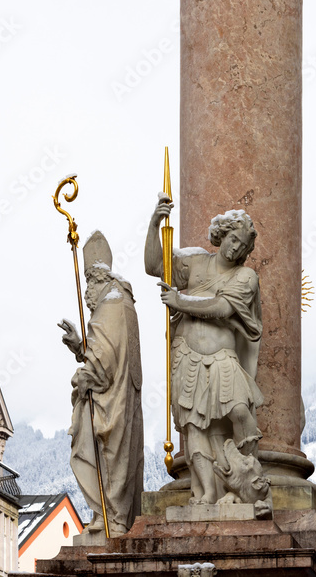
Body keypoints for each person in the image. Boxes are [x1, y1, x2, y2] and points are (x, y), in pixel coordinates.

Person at [144, 194, 264, 505]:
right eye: (233, 239)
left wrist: (181, 301)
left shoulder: (245, 277)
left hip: (223, 358)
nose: (236, 248)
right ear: (223, 234)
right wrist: (155, 223)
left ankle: (247, 480)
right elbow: (154, 265)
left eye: (243, 246)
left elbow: (223, 308)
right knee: (193, 425)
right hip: (187, 355)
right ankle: (209, 491)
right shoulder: (196, 261)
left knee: (240, 409)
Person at [60, 230, 144, 536]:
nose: (85, 295)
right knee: (108, 457)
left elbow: (105, 362)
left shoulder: (112, 305)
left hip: (112, 399)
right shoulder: (119, 303)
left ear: (98, 280)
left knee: (112, 457)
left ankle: (114, 518)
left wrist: (85, 375)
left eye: (87, 286)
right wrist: (80, 345)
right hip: (113, 396)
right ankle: (104, 514)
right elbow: (103, 351)